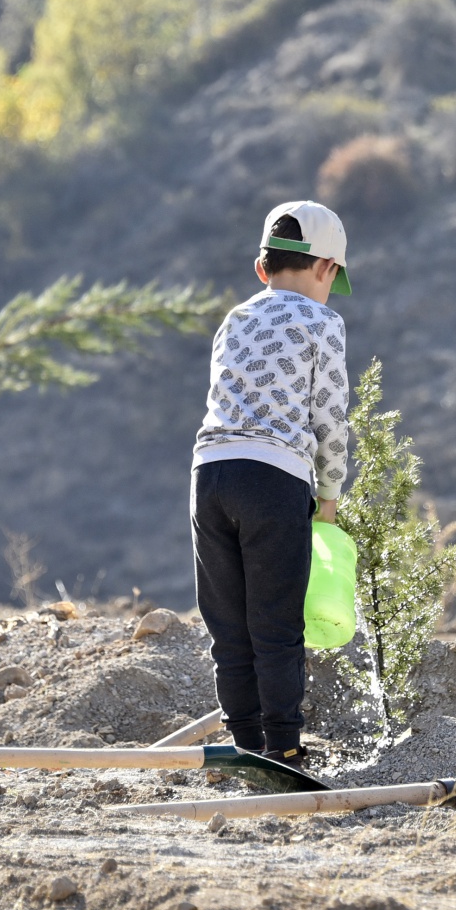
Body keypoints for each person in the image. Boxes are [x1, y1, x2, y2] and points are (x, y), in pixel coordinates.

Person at [191, 201, 352, 770]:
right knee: (277, 623)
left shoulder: (233, 319)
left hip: (209, 473)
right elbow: (329, 419)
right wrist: (328, 498)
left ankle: (243, 746)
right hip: (273, 477)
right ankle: (283, 747)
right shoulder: (322, 323)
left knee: (228, 624)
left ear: (263, 269)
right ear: (326, 269)